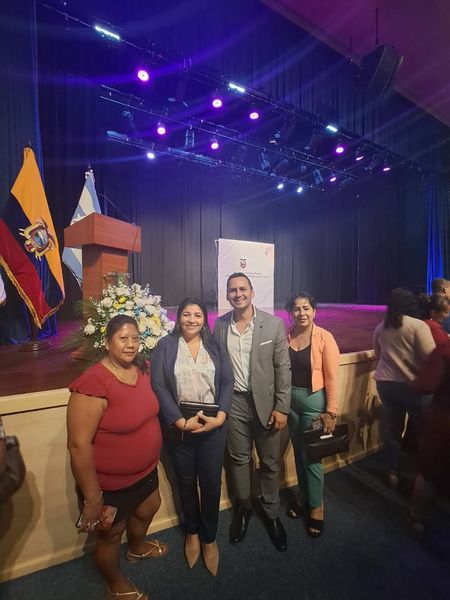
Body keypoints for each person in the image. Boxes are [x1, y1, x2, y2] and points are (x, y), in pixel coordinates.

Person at [67, 315, 167, 600]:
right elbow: (78, 445)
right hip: (109, 486)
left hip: (145, 472)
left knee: (150, 507)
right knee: (111, 534)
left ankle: (136, 548)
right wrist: (92, 498)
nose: (130, 344)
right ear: (107, 342)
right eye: (123, 338)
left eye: (135, 338)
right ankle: (113, 582)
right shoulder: (93, 383)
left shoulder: (143, 368)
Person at [151, 298, 234, 576]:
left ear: (204, 319)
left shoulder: (215, 346)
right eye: (186, 314)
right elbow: (158, 386)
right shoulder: (165, 345)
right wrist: (179, 421)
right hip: (180, 428)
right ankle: (193, 533)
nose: (191, 319)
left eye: (197, 315)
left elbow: (227, 381)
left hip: (213, 426)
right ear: (178, 318)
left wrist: (221, 416)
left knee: (210, 485)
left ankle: (209, 538)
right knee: (185, 483)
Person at [213, 273, 291, 552]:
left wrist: (282, 406)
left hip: (267, 405)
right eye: (232, 290)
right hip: (233, 403)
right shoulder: (220, 325)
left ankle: (271, 512)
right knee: (238, 460)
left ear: (252, 292)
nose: (238, 294)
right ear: (227, 294)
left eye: (242, 289)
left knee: (270, 462)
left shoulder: (273, 324)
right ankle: (244, 508)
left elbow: (283, 368)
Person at [284, 292, 340, 538]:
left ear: (314, 311)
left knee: (313, 457)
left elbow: (332, 377)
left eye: (306, 308)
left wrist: (331, 412)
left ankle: (316, 505)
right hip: (290, 403)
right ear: (290, 313)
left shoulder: (325, 337)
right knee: (298, 453)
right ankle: (303, 495)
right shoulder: (286, 336)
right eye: (296, 309)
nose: (302, 313)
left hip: (313, 403)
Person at [373, 288, 435, 488]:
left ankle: (393, 471)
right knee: (423, 431)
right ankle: (423, 474)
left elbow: (377, 355)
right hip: (413, 385)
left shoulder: (381, 327)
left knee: (393, 430)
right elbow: (430, 356)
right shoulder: (418, 325)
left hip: (385, 384)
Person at [410, 341, 450, 533]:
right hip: (443, 418)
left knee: (428, 471)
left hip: (443, 418)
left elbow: (425, 385)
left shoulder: (445, 349)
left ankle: (416, 517)